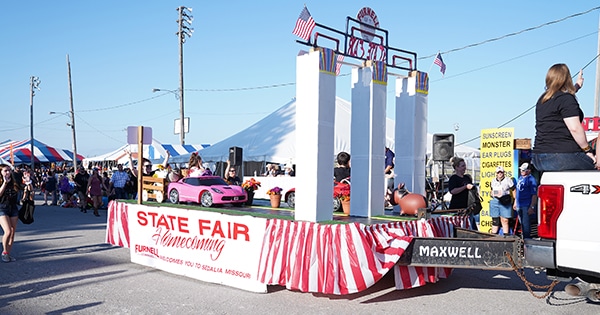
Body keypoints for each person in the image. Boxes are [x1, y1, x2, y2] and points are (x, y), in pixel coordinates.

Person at [532, 64, 596, 172]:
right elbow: (575, 128)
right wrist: (587, 150)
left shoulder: (542, 99)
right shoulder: (566, 99)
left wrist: (577, 86)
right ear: (566, 79)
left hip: (539, 158)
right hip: (561, 156)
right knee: (596, 163)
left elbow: (561, 100)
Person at [448, 157, 476, 228]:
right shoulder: (453, 178)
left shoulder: (467, 178)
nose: (465, 168)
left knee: (470, 227)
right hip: (457, 207)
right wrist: (465, 187)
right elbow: (452, 191)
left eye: (465, 166)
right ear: (457, 167)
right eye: (462, 166)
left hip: (468, 207)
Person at [0, 164, 20, 262]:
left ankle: (8, 253)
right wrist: (4, 183)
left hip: (13, 208)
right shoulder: (2, 182)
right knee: (7, 231)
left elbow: (24, 191)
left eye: (9, 170)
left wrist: (29, 183)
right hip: (2, 208)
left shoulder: (14, 182)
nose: (8, 172)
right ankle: (4, 252)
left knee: (12, 233)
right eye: (5, 171)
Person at [513, 163, 537, 238]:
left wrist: (532, 207)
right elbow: (517, 191)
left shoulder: (531, 180)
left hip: (526, 205)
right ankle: (524, 238)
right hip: (519, 204)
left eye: (524, 170)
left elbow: (534, 194)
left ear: (528, 171)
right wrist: (515, 202)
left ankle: (526, 240)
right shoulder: (520, 178)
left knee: (526, 224)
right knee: (522, 223)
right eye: (521, 170)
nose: (522, 171)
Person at [490, 166, 516, 235]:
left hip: (505, 201)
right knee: (495, 220)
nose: (500, 174)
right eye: (498, 172)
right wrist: (492, 193)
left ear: (503, 172)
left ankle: (506, 236)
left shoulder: (508, 180)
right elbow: (491, 190)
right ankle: (493, 237)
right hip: (495, 200)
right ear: (496, 173)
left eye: (501, 172)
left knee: (505, 220)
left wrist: (515, 201)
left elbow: (513, 190)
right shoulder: (493, 180)